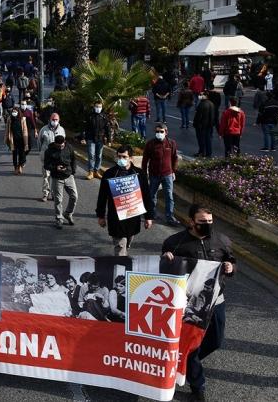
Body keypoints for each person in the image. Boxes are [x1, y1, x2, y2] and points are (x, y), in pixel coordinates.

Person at [161, 204, 235, 402]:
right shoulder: (175, 242)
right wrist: (166, 260)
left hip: (216, 301)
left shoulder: (222, 241)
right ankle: (198, 386)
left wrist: (230, 267)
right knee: (192, 344)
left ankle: (184, 361)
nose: (207, 225)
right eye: (202, 222)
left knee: (216, 341)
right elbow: (165, 274)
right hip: (189, 304)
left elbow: (232, 261)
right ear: (191, 221)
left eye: (210, 221)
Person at [96, 145, 154, 256]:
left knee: (127, 244)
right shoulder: (109, 174)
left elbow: (146, 196)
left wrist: (149, 217)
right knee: (120, 249)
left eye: (124, 157)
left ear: (131, 158)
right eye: (119, 157)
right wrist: (101, 216)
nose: (121, 159)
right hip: (116, 219)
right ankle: (121, 269)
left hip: (133, 218)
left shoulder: (140, 174)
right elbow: (102, 196)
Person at [142, 123, 179, 226]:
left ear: (166, 132)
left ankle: (170, 217)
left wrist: (173, 171)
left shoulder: (171, 143)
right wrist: (144, 173)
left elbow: (175, 158)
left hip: (167, 174)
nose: (159, 133)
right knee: (152, 195)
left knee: (169, 196)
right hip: (154, 174)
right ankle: (151, 214)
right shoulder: (150, 144)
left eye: (161, 131)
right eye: (157, 132)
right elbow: (145, 160)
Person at [43, 134, 77, 229]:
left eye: (62, 146)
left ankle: (68, 214)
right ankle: (59, 218)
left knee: (74, 196)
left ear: (64, 142)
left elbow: (74, 159)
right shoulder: (49, 151)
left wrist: (73, 171)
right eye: (58, 146)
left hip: (69, 176)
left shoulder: (69, 147)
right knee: (58, 200)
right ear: (55, 144)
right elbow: (46, 165)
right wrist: (55, 168)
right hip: (57, 178)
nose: (60, 147)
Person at [38, 113, 66, 202]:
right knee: (46, 176)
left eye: (56, 119)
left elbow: (64, 143)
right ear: (50, 119)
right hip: (46, 156)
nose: (54, 121)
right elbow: (39, 142)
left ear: (59, 120)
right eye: (53, 119)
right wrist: (42, 152)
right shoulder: (44, 129)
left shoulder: (61, 130)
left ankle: (54, 194)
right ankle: (45, 194)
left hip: (57, 157)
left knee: (55, 176)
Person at [83, 100, 111, 180]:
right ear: (94, 107)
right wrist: (83, 138)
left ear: (102, 107)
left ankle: (96, 171)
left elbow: (107, 129)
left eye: (99, 107)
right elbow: (85, 128)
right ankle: (90, 172)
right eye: (96, 106)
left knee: (99, 156)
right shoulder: (90, 116)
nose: (98, 108)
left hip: (100, 139)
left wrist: (109, 140)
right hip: (90, 138)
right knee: (91, 155)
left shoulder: (104, 117)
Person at [5, 106, 30, 175]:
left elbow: (25, 131)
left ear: (18, 112)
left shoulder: (22, 119)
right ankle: (15, 167)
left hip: (21, 140)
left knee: (22, 154)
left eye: (15, 112)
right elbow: (7, 130)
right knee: (14, 154)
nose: (14, 113)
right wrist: (6, 139)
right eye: (13, 112)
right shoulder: (10, 119)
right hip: (13, 140)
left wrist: (26, 142)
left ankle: (20, 166)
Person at [193, 91, 217, 157]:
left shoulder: (201, 104)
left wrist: (195, 124)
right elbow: (213, 116)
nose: (200, 96)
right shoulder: (211, 104)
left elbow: (198, 116)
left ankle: (201, 152)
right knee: (208, 139)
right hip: (209, 125)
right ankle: (208, 153)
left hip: (201, 126)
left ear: (206, 96)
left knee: (201, 139)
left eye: (201, 94)